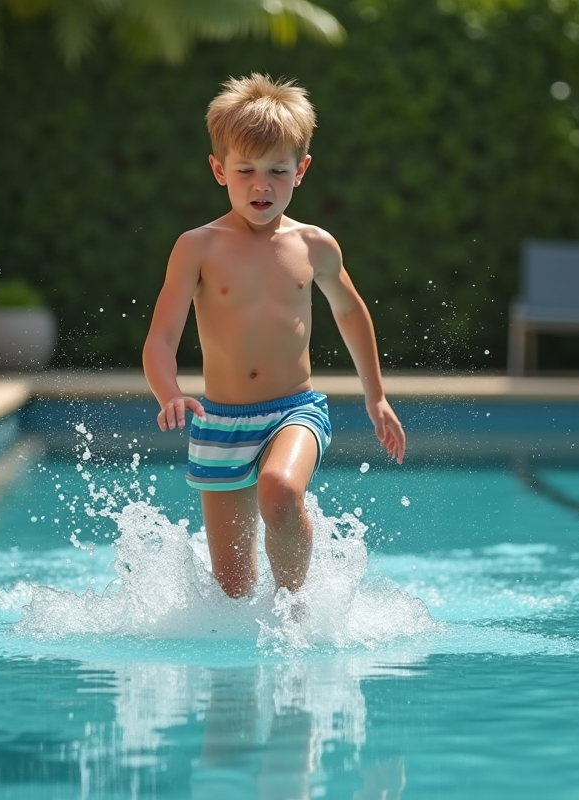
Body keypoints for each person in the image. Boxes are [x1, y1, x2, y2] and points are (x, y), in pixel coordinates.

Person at [142, 73, 405, 599]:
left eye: (276, 172)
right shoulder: (197, 247)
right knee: (233, 592)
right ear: (219, 170)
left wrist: (376, 396)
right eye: (245, 171)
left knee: (281, 492)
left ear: (300, 170)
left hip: (294, 412)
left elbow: (351, 313)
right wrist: (168, 392)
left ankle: (297, 615)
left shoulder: (314, 244)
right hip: (219, 423)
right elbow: (160, 338)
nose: (261, 185)